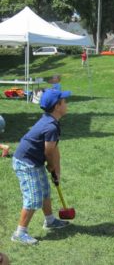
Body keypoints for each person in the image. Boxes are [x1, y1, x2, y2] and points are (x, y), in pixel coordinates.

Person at [11, 88, 71, 245]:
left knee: (45, 191)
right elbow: (48, 152)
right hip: (26, 163)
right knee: (33, 197)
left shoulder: (51, 122)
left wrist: (57, 170)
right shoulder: (50, 126)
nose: (67, 104)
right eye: (64, 101)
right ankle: (20, 233)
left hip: (35, 161)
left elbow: (54, 148)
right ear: (57, 106)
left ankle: (50, 220)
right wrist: (51, 165)